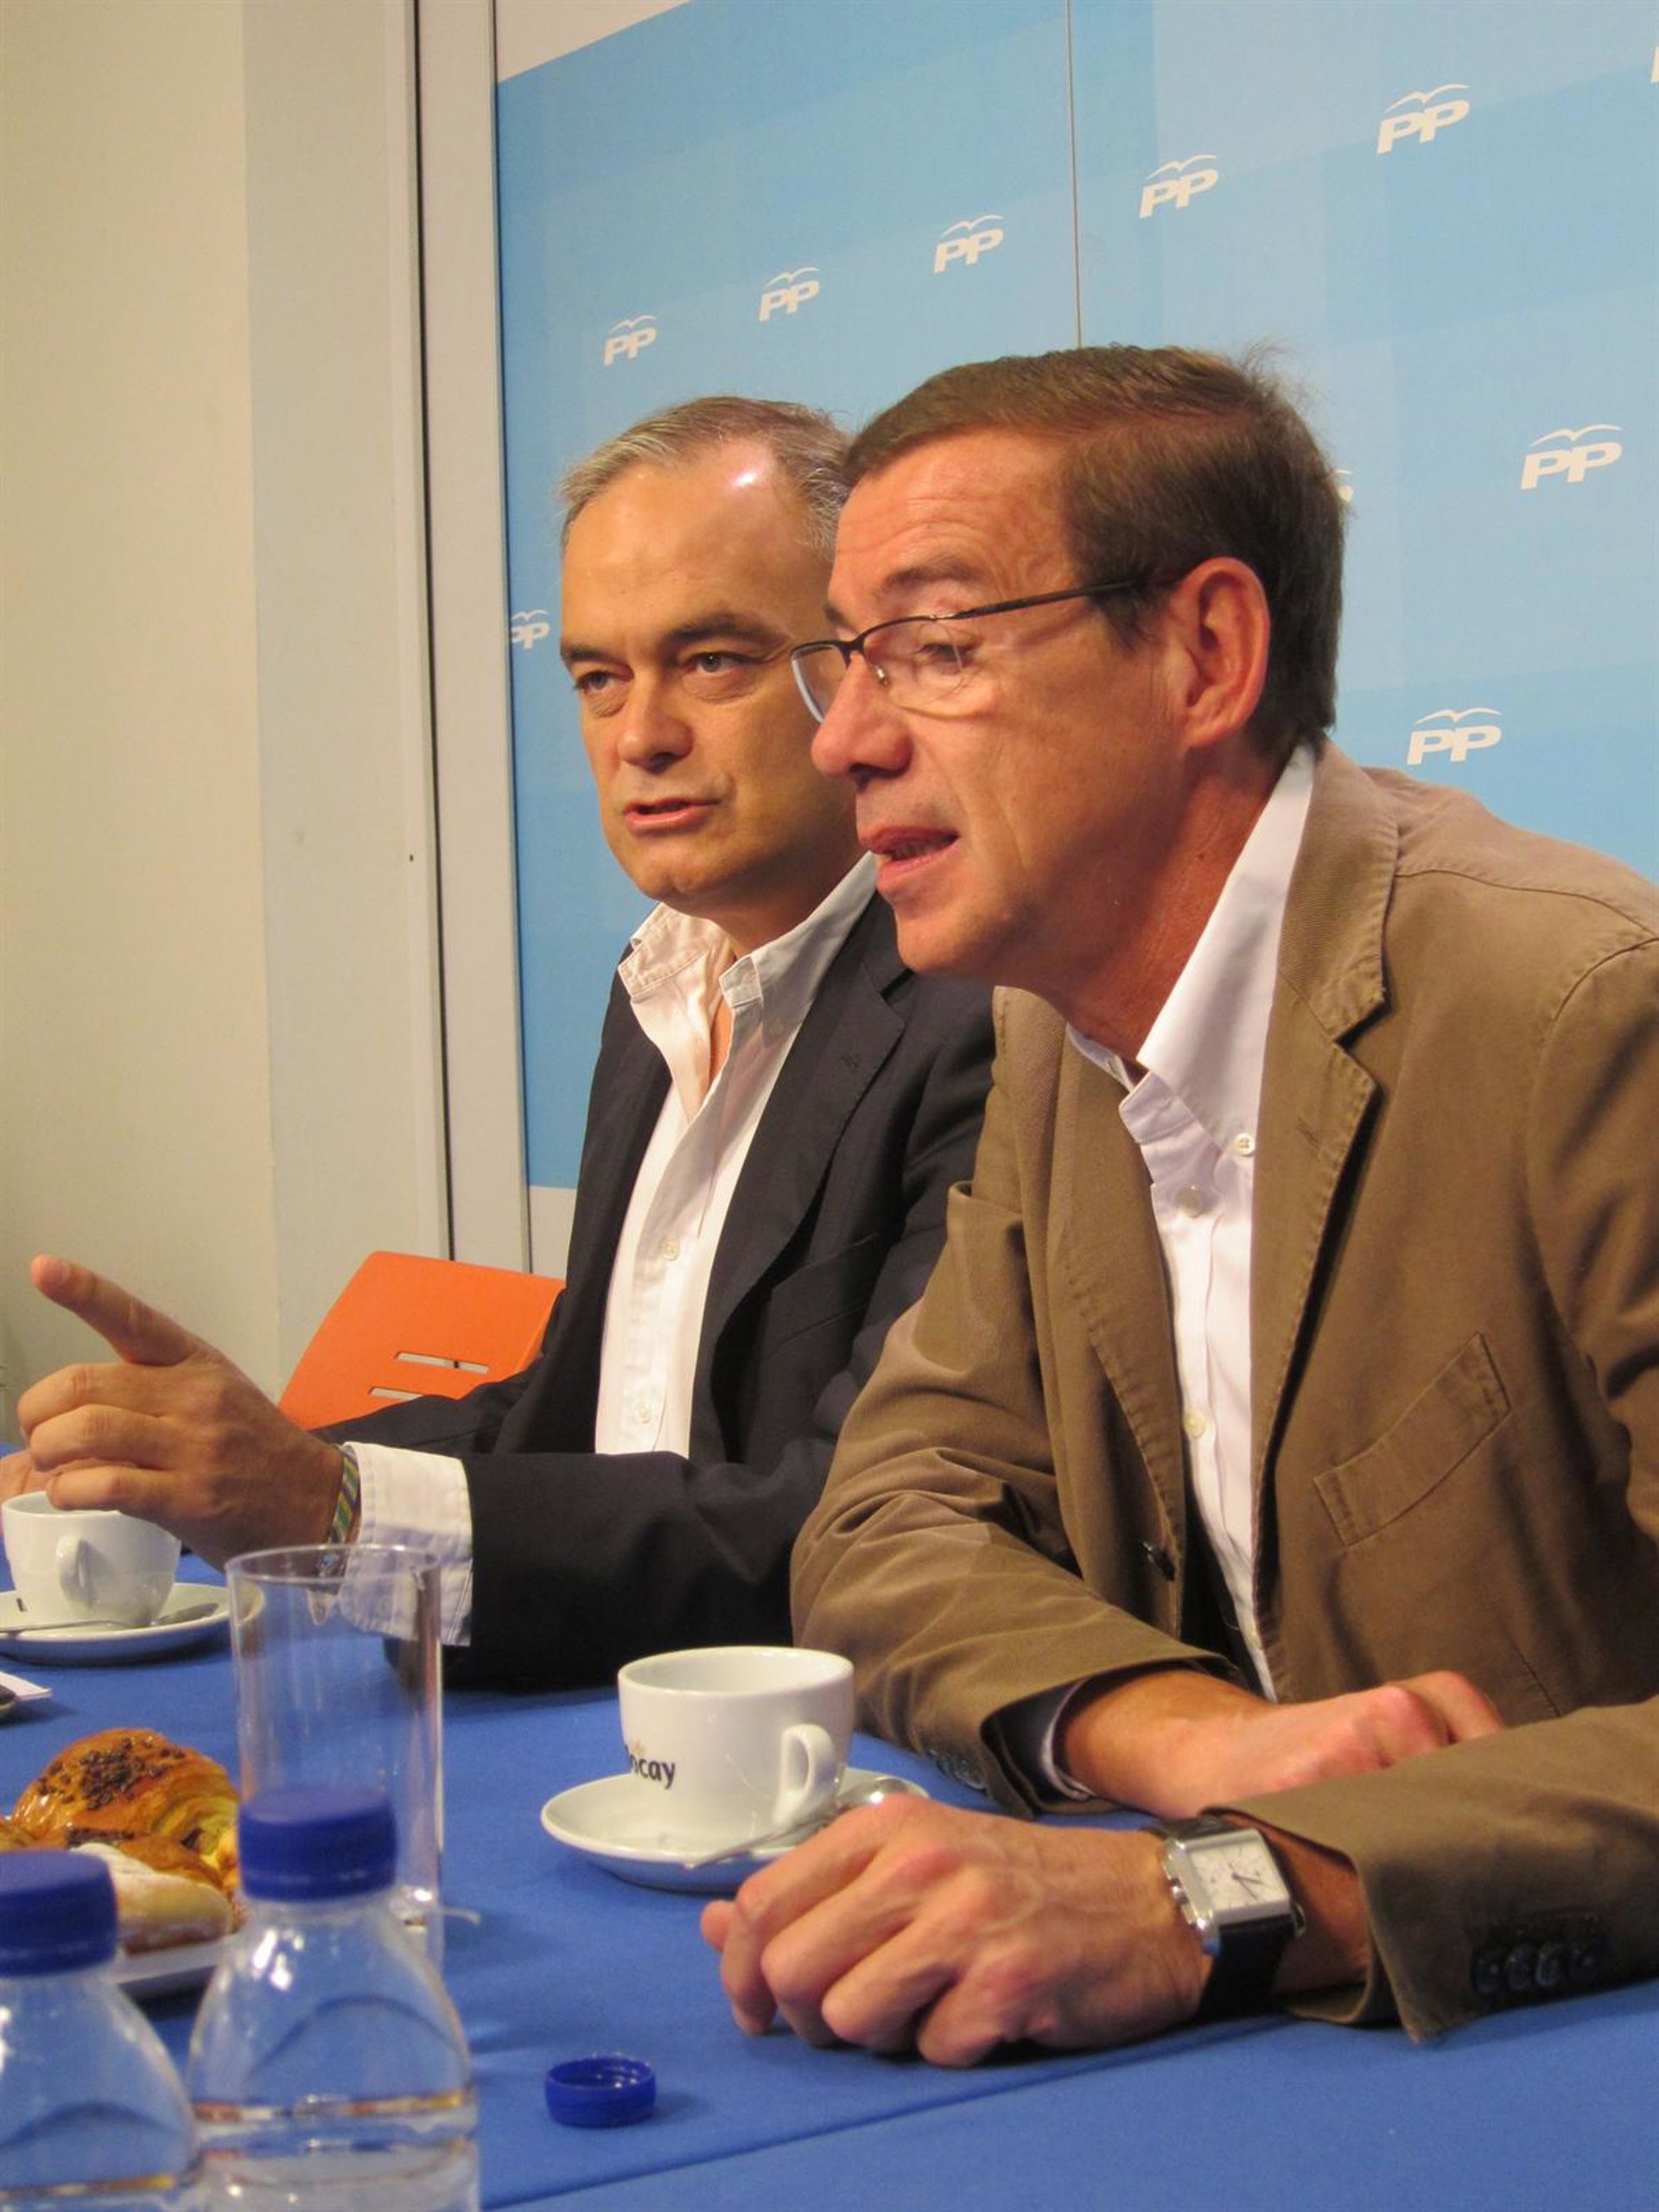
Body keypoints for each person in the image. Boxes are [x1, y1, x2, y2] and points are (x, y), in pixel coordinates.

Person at [701, 346, 1659, 2063]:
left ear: (1206, 653)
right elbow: (885, 1519)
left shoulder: (1587, 1015)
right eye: (845, 660)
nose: (844, 740)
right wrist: (1192, 1740)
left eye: (935, 646)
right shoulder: (1058, 1032)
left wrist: (1209, 1891)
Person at [6, 397, 994, 1688]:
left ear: (860, 668)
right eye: (598, 678)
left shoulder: (984, 1018)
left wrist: (328, 1503)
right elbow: (578, 1417)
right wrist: (228, 1461)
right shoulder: (657, 988)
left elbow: (846, 1523)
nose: (640, 736)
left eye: (711, 661)